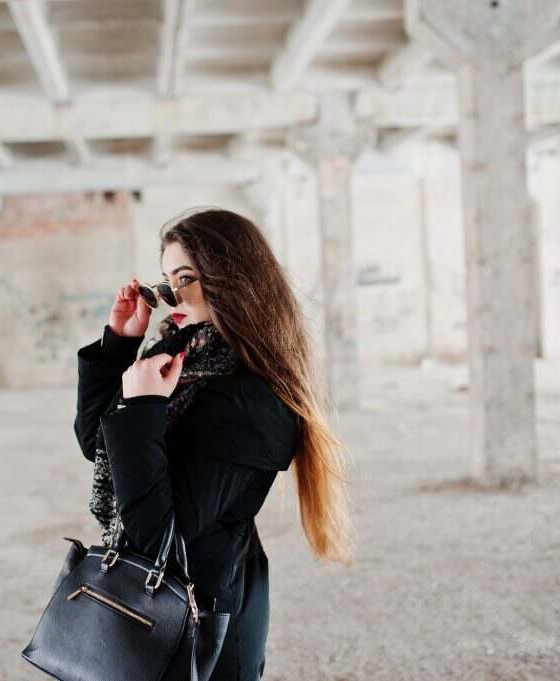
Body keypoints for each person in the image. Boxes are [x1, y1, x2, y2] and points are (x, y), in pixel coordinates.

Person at [73, 207, 356, 680]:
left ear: (232, 279)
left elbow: (158, 535)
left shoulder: (257, 397)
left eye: (185, 277)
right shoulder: (181, 351)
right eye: (165, 280)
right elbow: (97, 444)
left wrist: (143, 409)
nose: (169, 296)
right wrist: (120, 346)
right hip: (147, 605)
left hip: (204, 616)